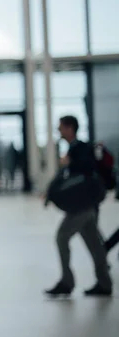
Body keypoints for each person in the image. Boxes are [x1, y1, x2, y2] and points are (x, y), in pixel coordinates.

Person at [45, 116, 112, 297]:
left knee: (62, 237)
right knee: (94, 244)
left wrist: (69, 163)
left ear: (69, 128)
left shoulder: (80, 149)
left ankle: (67, 282)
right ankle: (105, 283)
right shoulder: (76, 148)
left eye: (61, 127)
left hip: (82, 205)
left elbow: (84, 172)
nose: (59, 130)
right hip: (87, 204)